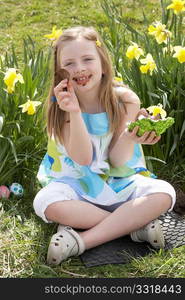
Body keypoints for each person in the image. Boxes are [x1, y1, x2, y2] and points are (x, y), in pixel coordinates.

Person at [33, 26, 176, 265]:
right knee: (46, 202)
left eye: (87, 59)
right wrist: (75, 112)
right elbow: (82, 159)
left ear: (102, 61)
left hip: (119, 181)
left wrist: (131, 136)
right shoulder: (62, 104)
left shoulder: (125, 100)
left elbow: (118, 160)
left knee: (164, 193)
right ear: (59, 72)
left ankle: (81, 241)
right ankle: (133, 226)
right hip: (75, 183)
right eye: (69, 63)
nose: (79, 68)